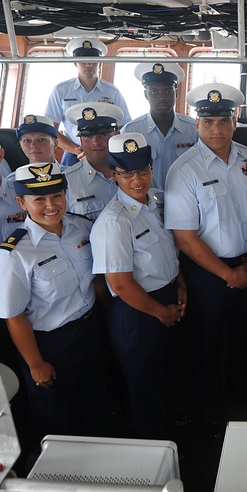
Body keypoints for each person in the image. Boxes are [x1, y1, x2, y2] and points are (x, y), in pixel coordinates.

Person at [165, 83, 247, 437]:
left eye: (223, 120)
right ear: (197, 124)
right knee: (205, 344)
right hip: (208, 273)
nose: (216, 129)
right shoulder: (184, 170)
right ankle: (208, 408)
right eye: (208, 121)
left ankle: (241, 389)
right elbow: (184, 237)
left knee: (244, 336)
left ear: (234, 121)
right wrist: (229, 273)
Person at [0, 162, 113, 438]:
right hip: (52, 345)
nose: (51, 205)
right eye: (40, 199)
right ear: (22, 202)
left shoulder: (82, 228)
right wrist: (35, 364)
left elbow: (96, 280)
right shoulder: (14, 255)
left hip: (92, 329)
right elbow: (14, 316)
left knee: (100, 404)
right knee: (59, 417)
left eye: (57, 195)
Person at [91, 133, 187, 440]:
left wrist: (180, 284)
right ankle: (155, 447)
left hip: (167, 299)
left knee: (168, 374)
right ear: (113, 174)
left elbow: (170, 250)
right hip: (139, 311)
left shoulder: (157, 201)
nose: (137, 180)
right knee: (145, 385)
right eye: (127, 173)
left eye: (143, 171)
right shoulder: (114, 222)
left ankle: (171, 433)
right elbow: (120, 284)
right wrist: (162, 313)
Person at [44, 37, 131, 167]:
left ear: (100, 63)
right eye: (84, 60)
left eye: (93, 60)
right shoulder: (61, 91)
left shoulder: (113, 92)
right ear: (75, 63)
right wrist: (76, 149)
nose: (89, 64)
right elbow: (51, 130)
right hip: (74, 154)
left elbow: (124, 127)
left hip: (105, 153)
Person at [120, 62, 196, 189]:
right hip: (147, 203)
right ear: (146, 95)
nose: (161, 97)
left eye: (167, 92)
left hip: (187, 200)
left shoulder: (193, 129)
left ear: (176, 93)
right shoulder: (130, 131)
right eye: (154, 92)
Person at [61, 101, 124, 219]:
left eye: (103, 135)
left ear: (117, 135)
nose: (95, 142)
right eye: (87, 136)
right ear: (80, 140)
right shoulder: (67, 182)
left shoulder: (134, 173)